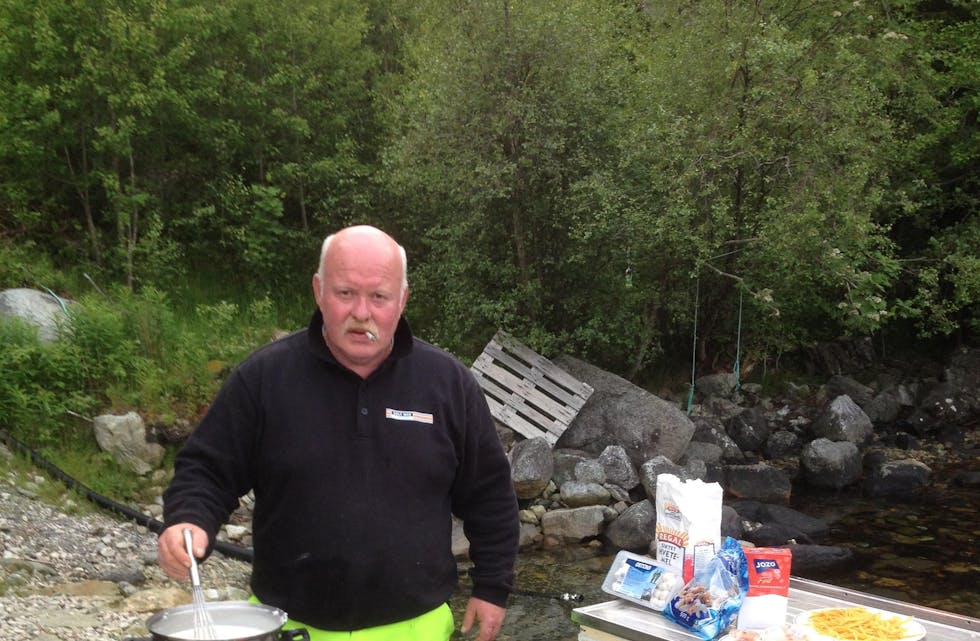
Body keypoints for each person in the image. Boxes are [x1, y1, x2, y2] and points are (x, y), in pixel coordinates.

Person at [158, 225, 519, 641]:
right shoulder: (263, 378)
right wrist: (188, 519)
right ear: (318, 290)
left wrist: (493, 586)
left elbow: (490, 494)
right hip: (287, 625)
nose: (362, 313)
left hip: (417, 627)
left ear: (402, 300)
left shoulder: (448, 384)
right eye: (345, 293)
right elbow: (206, 468)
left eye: (379, 297)